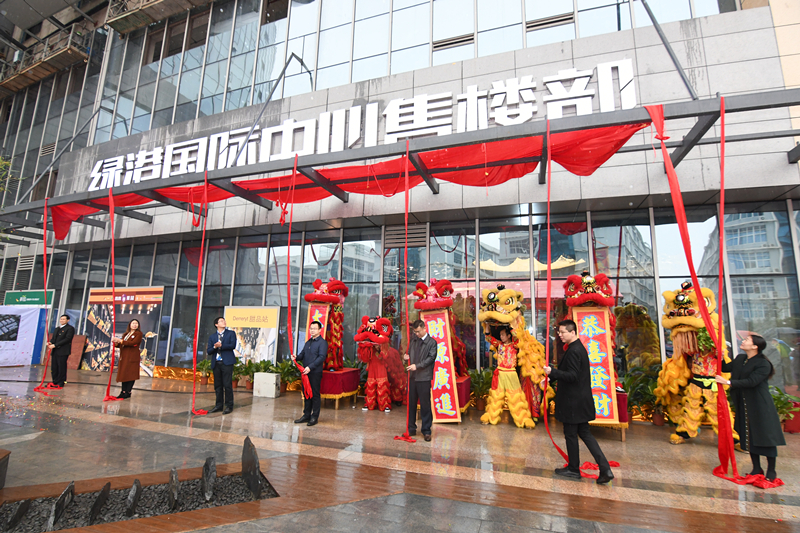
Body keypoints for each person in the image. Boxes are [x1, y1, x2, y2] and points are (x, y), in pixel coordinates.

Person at [544, 319, 614, 484]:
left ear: (573, 332)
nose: (560, 335)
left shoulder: (574, 350)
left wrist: (552, 372)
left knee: (571, 434)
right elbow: (570, 372)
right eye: (559, 332)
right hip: (580, 401)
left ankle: (574, 469)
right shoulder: (576, 348)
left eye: (563, 332)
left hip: (573, 402)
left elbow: (572, 376)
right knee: (585, 434)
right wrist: (552, 377)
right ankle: (605, 468)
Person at [716, 334, 785, 481]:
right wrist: (720, 358)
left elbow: (752, 381)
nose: (743, 341)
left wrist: (728, 383)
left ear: (755, 346)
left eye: (747, 340)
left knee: (765, 436)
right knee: (748, 435)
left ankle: (771, 470)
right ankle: (756, 468)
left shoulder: (763, 364)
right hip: (744, 403)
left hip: (760, 405)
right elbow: (726, 368)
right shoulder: (740, 358)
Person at [404, 319, 437, 442]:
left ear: (424, 328)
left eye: (418, 331)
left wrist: (417, 366)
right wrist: (405, 358)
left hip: (424, 378)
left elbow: (431, 359)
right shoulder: (413, 341)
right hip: (412, 377)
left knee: (425, 405)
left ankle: (426, 430)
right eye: (415, 332)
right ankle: (411, 428)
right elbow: (408, 355)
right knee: (411, 404)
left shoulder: (432, 342)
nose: (416, 334)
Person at [293, 321, 328, 426]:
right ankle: (306, 415)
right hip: (306, 373)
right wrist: (296, 357)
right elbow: (302, 354)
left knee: (315, 394)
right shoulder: (308, 342)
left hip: (315, 372)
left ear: (319, 330)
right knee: (306, 394)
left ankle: (314, 416)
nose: (312, 330)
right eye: (311, 328)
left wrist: (310, 367)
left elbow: (321, 357)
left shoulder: (322, 343)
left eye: (314, 328)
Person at [207, 317, 237, 414]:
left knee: (227, 385)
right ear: (216, 324)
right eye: (221, 321)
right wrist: (215, 347)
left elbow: (232, 345)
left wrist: (221, 346)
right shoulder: (212, 337)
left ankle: (229, 405)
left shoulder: (231, 333)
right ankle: (218, 405)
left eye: (224, 320)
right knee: (218, 386)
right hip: (216, 363)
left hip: (227, 362)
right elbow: (209, 351)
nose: (224, 322)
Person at [112, 319, 143, 399]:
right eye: (133, 323)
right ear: (130, 325)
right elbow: (122, 345)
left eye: (136, 323)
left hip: (132, 357)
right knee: (124, 374)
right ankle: (123, 391)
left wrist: (120, 341)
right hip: (124, 357)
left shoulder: (138, 334)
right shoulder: (126, 334)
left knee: (131, 375)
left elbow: (132, 343)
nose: (134, 325)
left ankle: (128, 392)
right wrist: (116, 342)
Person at [47, 315, 75, 389]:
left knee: (61, 366)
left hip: (63, 351)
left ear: (68, 320)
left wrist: (55, 345)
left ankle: (61, 382)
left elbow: (67, 339)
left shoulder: (70, 328)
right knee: (54, 367)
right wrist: (50, 342)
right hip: (55, 351)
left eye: (63, 319)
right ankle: (55, 381)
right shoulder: (57, 328)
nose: (62, 320)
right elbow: (54, 338)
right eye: (61, 319)